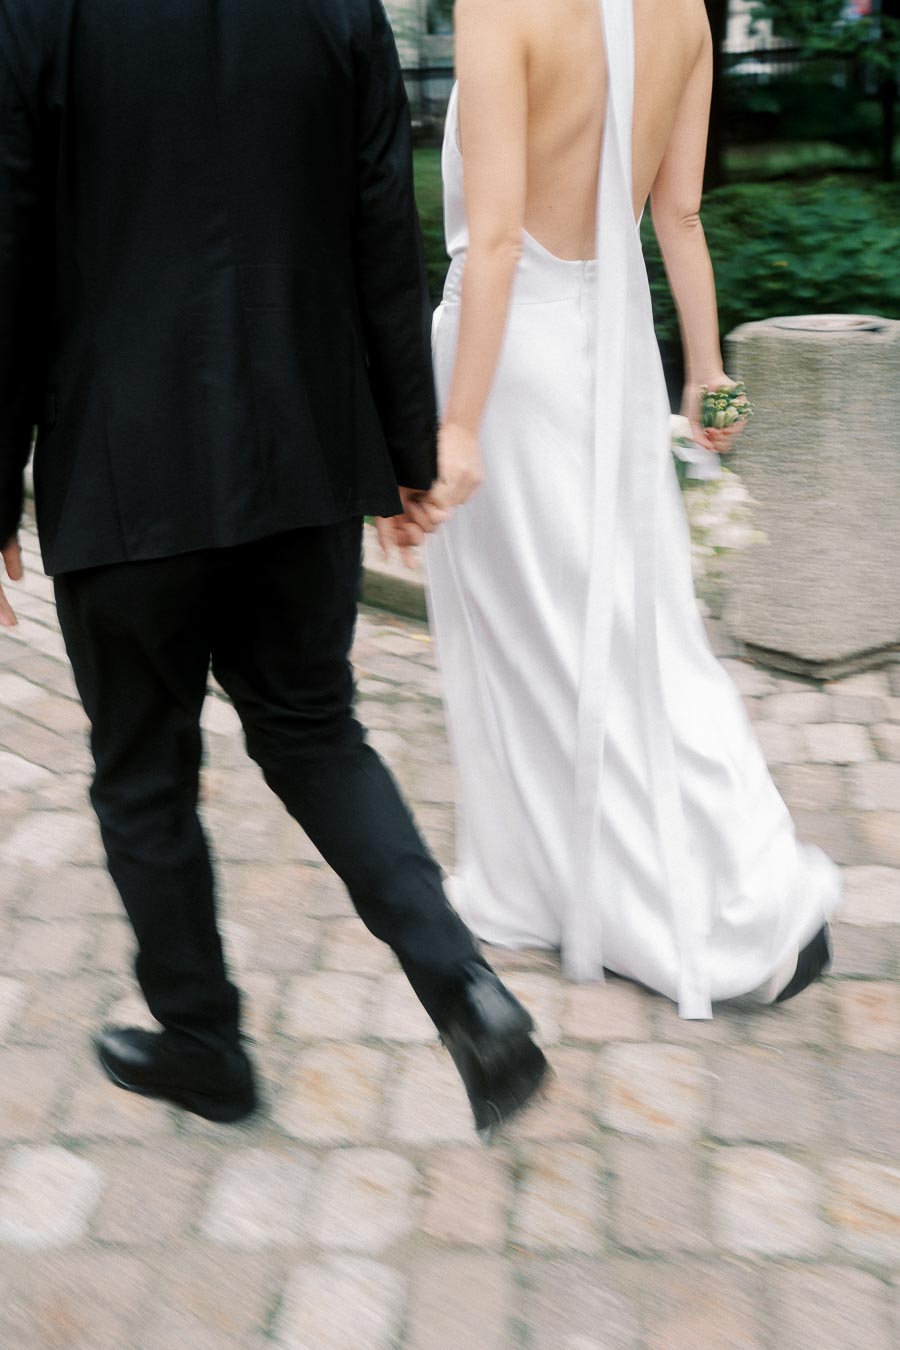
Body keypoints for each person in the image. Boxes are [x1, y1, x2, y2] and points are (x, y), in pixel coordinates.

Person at [0, 0, 548, 1135]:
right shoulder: (335, 8)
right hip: (300, 458)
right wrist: (406, 451)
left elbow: (7, 255)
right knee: (312, 729)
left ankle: (204, 1046)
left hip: (124, 465)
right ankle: (470, 994)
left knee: (144, 774)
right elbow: (381, 240)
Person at [379, 0, 838, 1018]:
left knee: (536, 641)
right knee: (638, 630)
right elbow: (678, 216)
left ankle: (667, 896)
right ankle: (601, 883)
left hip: (511, 373)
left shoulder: (505, 7)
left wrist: (455, 431)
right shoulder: (682, 14)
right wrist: (709, 379)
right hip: (615, 362)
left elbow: (493, 240)